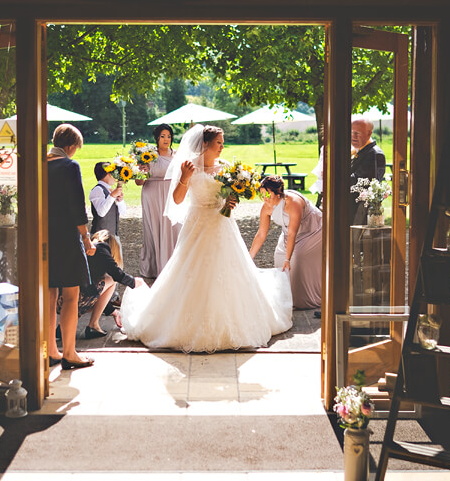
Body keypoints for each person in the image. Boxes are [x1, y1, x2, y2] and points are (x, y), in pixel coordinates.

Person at [120, 124, 293, 352]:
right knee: (191, 270)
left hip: (223, 225)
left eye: (222, 143)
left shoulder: (227, 168)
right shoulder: (189, 165)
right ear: (205, 144)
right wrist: (184, 177)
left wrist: (231, 201)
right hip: (197, 224)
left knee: (229, 272)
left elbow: (230, 195)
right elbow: (178, 199)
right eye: (218, 143)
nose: (222, 147)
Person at [47, 124, 96, 370]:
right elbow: (77, 206)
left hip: (43, 236)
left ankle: (50, 350)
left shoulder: (40, 164)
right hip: (66, 237)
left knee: (48, 293)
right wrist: (86, 237)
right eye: (76, 148)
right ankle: (69, 352)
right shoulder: (69, 166)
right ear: (70, 146)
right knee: (71, 297)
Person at [248, 175, 322, 310]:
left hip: (313, 231)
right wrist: (249, 257)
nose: (265, 199)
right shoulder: (266, 207)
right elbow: (261, 234)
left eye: (268, 195)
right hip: (289, 233)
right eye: (262, 195)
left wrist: (288, 259)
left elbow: (293, 232)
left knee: (298, 257)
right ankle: (285, 297)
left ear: (278, 193)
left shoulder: (293, 203)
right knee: (278, 255)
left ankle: (303, 299)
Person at [78, 229, 145, 339]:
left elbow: (96, 295)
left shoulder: (86, 249)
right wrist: (134, 282)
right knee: (111, 280)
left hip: (65, 298)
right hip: (79, 298)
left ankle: (62, 327)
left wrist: (114, 312)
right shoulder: (101, 248)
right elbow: (116, 274)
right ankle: (93, 325)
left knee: (103, 283)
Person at [135, 123, 182, 278]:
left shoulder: (177, 155)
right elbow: (138, 182)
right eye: (162, 136)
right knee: (153, 228)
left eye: (169, 136)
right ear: (156, 138)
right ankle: (153, 268)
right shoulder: (148, 155)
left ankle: (172, 266)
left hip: (171, 194)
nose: (166, 139)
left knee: (173, 227)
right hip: (152, 194)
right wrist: (143, 172)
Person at [350, 116, 386, 224]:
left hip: (360, 210)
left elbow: (364, 182)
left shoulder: (374, 154)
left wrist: (337, 174)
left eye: (357, 133)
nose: (353, 137)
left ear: (369, 134)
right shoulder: (359, 151)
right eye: (351, 132)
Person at [90, 161, 127, 237]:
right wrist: (112, 196)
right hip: (100, 237)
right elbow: (101, 212)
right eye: (113, 173)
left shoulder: (109, 190)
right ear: (108, 174)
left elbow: (122, 212)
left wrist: (120, 201)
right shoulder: (98, 190)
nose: (115, 176)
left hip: (113, 235)